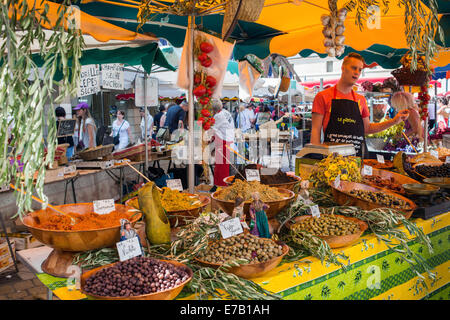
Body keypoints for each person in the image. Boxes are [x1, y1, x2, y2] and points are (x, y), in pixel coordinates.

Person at [310, 52, 410, 158]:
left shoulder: (361, 100)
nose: (357, 72)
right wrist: (315, 158)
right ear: (343, 68)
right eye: (354, 68)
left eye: (360, 69)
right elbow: (316, 130)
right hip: (332, 160)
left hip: (357, 159)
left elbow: (367, 129)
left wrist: (395, 121)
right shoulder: (323, 96)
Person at [211, 99, 235, 187]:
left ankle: (220, 187)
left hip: (223, 142)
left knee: (221, 168)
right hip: (227, 141)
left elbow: (212, 130)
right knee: (222, 166)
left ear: (213, 110)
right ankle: (220, 185)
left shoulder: (218, 116)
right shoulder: (226, 112)